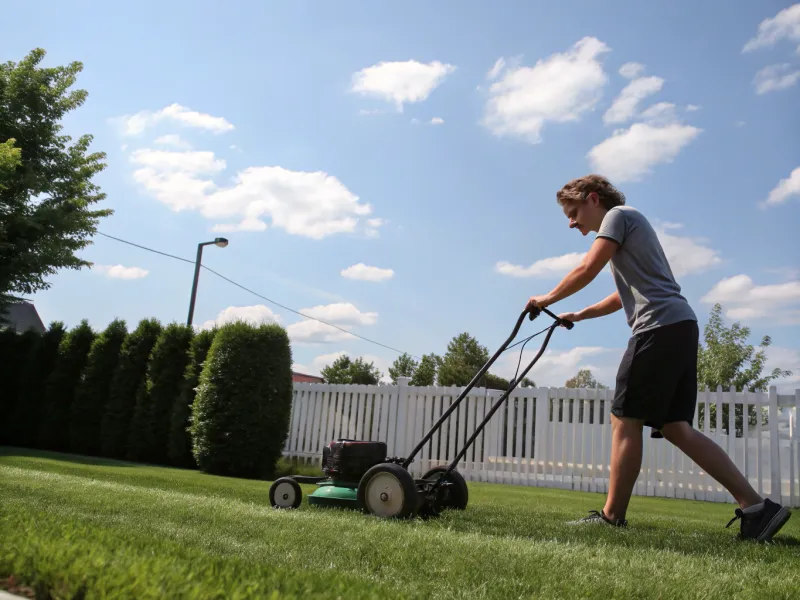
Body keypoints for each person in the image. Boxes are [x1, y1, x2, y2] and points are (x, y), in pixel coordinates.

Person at [525, 174, 791, 541]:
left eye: (573, 213)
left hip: (658, 329)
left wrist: (546, 299)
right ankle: (758, 509)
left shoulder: (618, 216)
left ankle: (611, 516)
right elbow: (624, 296)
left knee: (624, 418)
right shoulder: (632, 226)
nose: (572, 223)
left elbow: (588, 268)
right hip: (681, 326)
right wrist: (579, 314)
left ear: (592, 199)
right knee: (675, 428)